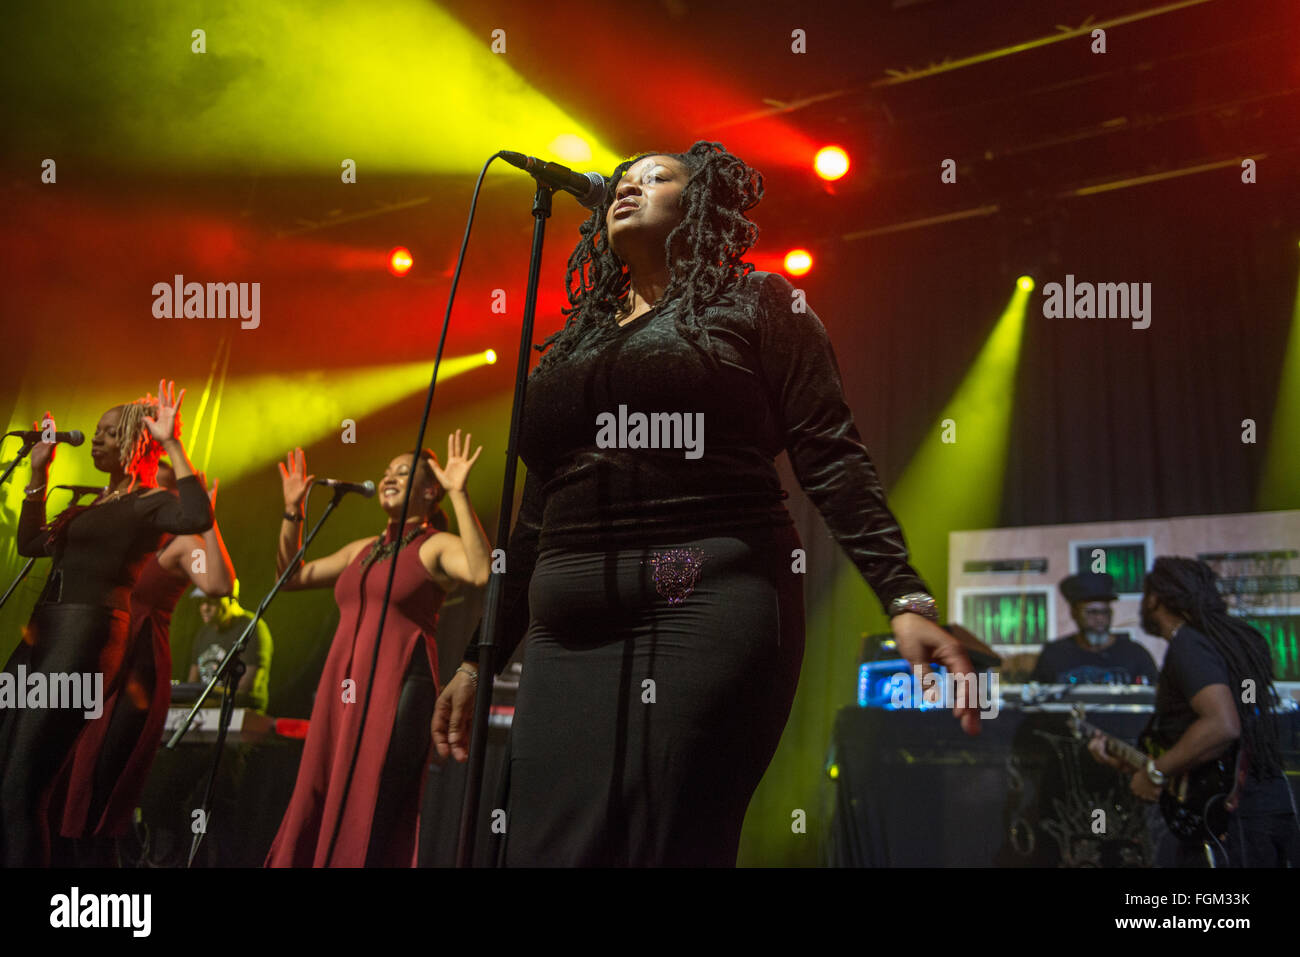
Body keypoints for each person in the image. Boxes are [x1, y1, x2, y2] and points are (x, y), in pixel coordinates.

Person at [432, 142, 979, 867]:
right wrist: (481, 656)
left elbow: (830, 451)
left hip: (703, 604)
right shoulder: (573, 344)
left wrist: (904, 594)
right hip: (566, 636)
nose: (628, 186)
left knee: (663, 839)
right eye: (622, 179)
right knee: (542, 846)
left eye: (656, 177)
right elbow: (537, 513)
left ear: (699, 204)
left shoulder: (760, 303)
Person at [0, 381, 212, 866]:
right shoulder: (95, 502)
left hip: (84, 639)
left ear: (138, 444)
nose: (96, 440)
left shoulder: (149, 503)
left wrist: (173, 444)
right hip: (41, 636)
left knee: (21, 787)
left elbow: (198, 514)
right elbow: (32, 544)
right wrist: (39, 474)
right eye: (96, 431)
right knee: (5, 777)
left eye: (109, 434)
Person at [266, 433, 491, 867]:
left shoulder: (434, 545)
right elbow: (290, 577)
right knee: (322, 788)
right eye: (387, 472)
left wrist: (459, 493)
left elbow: (483, 571)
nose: (388, 477)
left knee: (373, 797)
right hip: (343, 688)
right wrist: (293, 510)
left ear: (430, 490)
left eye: (402, 473)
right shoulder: (362, 549)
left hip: (401, 684)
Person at [50, 461, 234, 865]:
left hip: (137, 663)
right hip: (92, 651)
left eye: (161, 486)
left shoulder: (182, 544)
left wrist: (207, 523)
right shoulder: (127, 532)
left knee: (102, 780)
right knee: (67, 772)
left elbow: (219, 584)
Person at [1089, 556, 1300, 866]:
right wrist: (1140, 760)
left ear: (1155, 599)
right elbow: (1205, 736)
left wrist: (1155, 772)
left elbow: (1222, 725)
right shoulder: (1228, 638)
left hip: (1232, 819)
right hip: (1258, 804)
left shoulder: (1188, 643)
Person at [1030, 571, 1158, 684]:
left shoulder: (1136, 654)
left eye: (1105, 612)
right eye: (1091, 612)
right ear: (1074, 613)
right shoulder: (1054, 654)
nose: (1100, 618)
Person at [186, 582, 272, 712]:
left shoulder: (251, 628)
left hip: (238, 714)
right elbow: (192, 682)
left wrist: (203, 698)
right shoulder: (203, 633)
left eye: (212, 602)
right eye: (201, 602)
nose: (204, 607)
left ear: (232, 600)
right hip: (206, 711)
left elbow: (245, 690)